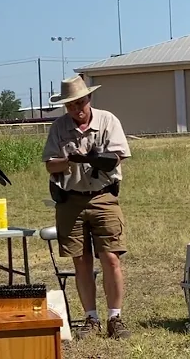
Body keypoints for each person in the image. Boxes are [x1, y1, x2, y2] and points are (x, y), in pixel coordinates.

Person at [41, 75, 131, 340]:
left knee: (111, 257)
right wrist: (67, 161)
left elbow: (117, 157)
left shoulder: (108, 120)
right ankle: (90, 319)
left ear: (89, 99)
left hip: (104, 197)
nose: (76, 110)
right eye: (70, 106)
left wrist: (94, 159)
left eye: (80, 103)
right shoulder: (59, 128)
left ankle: (115, 317)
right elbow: (49, 164)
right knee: (81, 261)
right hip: (70, 199)